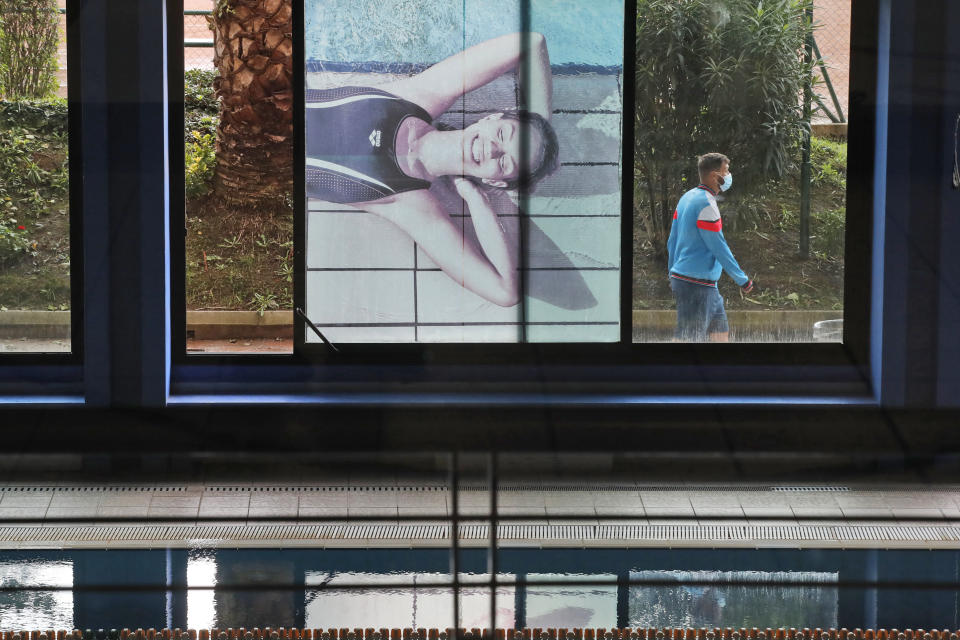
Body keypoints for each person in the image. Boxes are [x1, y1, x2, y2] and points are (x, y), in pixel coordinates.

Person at [305, 32, 560, 307]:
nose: (493, 149)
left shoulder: (411, 203)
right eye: (503, 133)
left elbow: (505, 292)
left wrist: (477, 199)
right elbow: (532, 42)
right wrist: (539, 127)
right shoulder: (420, 95)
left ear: (496, 180)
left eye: (504, 162)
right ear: (491, 118)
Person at [666, 152, 755, 342]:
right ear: (715, 176)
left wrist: (671, 272)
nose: (729, 175)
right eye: (726, 171)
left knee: (720, 333)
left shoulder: (687, 198)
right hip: (696, 284)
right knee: (687, 339)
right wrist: (742, 280)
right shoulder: (706, 205)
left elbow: (672, 240)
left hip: (703, 285)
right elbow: (719, 247)